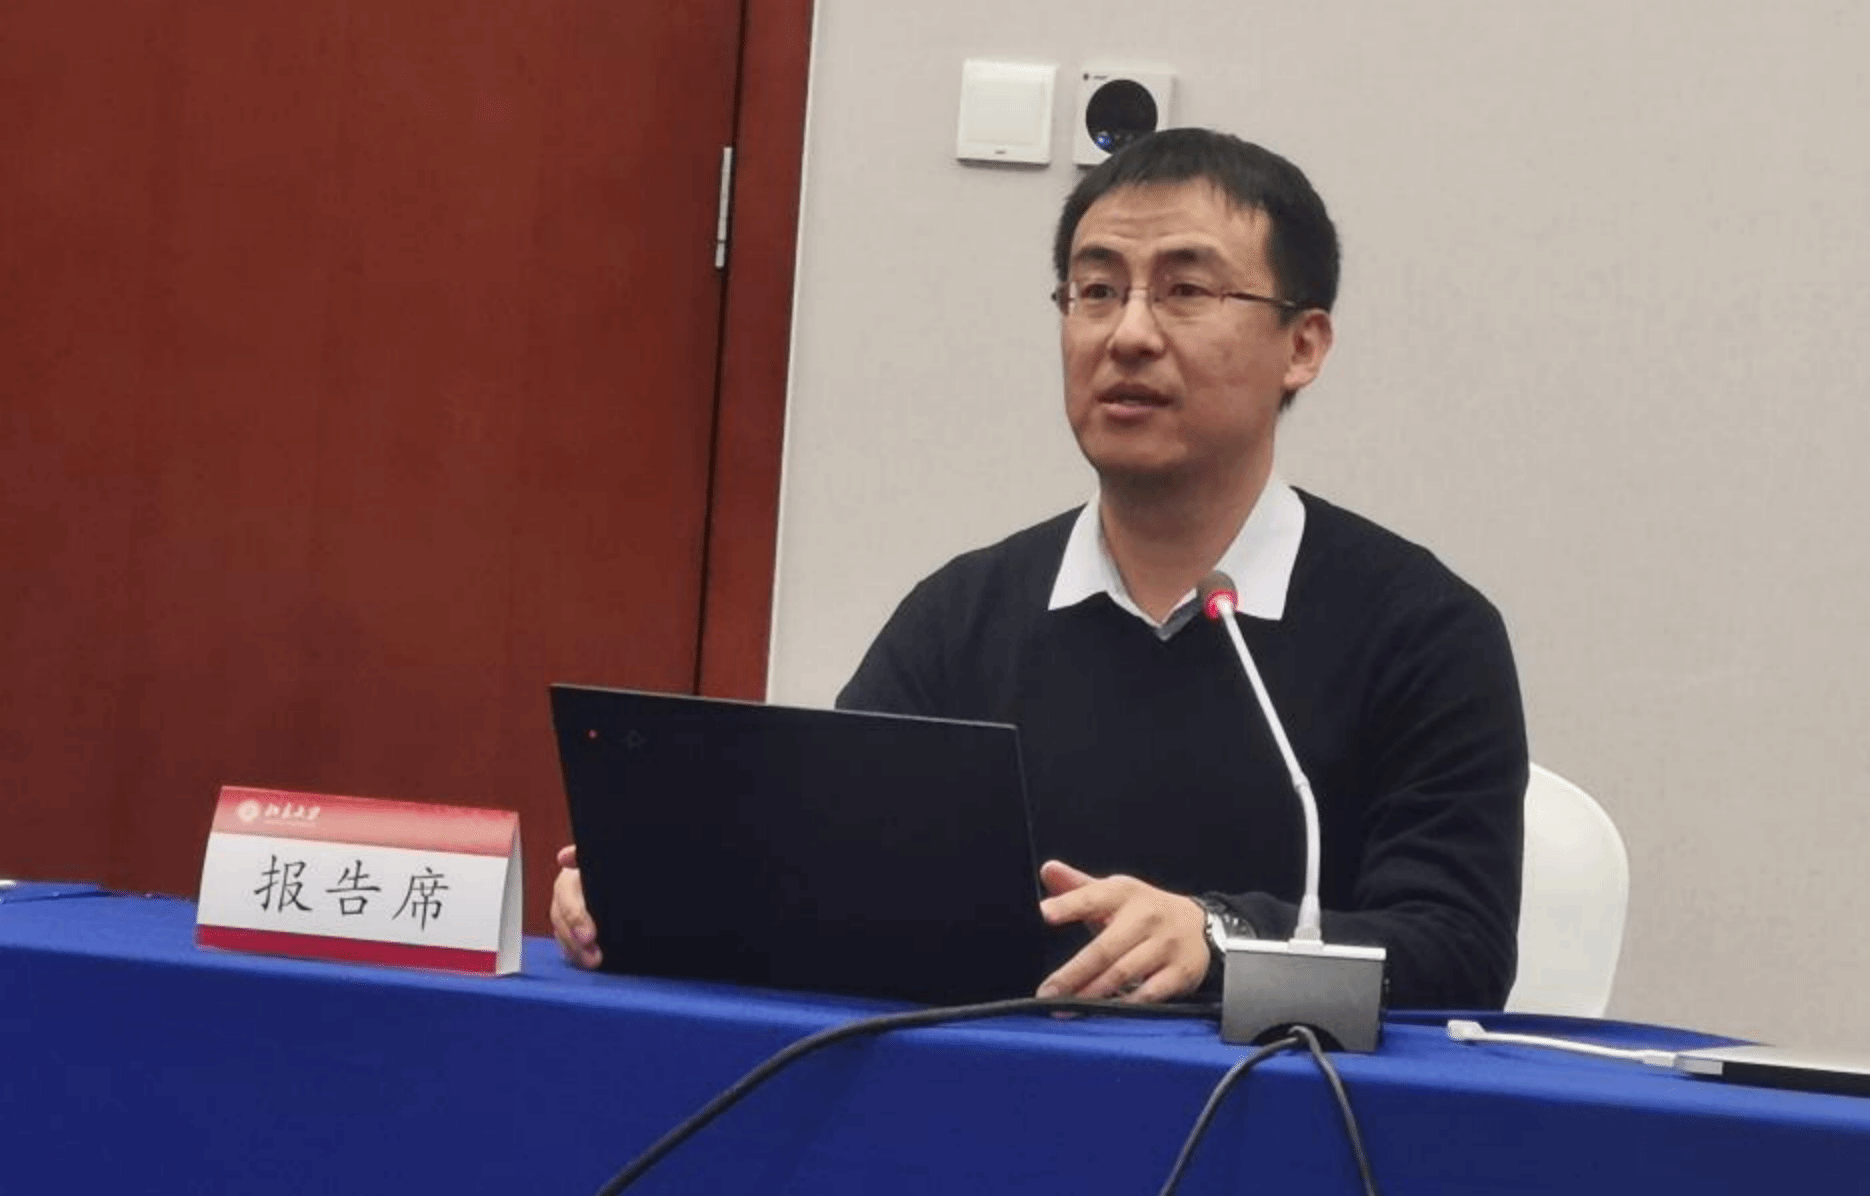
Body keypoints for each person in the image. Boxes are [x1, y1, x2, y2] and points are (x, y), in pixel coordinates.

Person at [553, 128, 1527, 1010]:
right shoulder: (962, 616)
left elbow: (1457, 949)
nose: (1128, 333)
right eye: (1095, 290)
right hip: (990, 1100)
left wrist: (1218, 936)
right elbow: (829, 868)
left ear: (1302, 345)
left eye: (1186, 291)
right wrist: (653, 885)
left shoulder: (1422, 631)